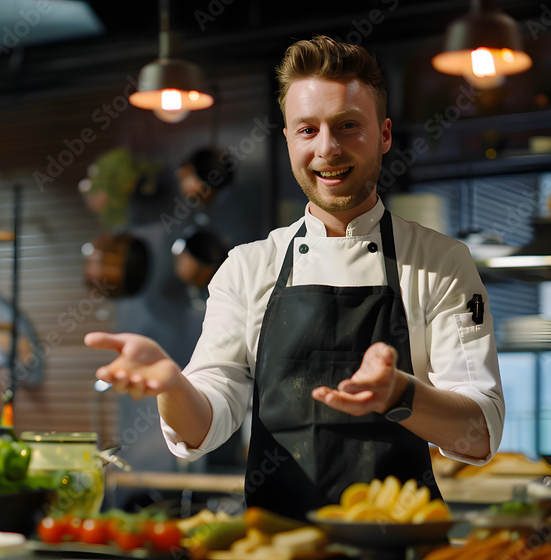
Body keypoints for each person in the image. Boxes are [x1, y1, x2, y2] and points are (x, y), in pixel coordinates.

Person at [84, 35, 504, 520]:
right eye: (308, 130)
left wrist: (400, 394)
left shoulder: (441, 262)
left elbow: (479, 433)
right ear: (287, 139)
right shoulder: (247, 267)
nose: (328, 148)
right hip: (274, 542)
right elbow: (204, 425)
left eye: (348, 125)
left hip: (401, 542)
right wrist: (171, 387)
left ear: (385, 135)